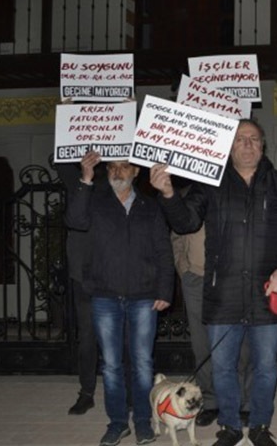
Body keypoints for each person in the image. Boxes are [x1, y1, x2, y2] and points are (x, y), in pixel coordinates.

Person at [151, 119, 277, 446]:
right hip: (222, 294)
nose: (247, 145)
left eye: (254, 139)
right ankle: (231, 427)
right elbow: (186, 221)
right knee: (223, 368)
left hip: (267, 293)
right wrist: (168, 193)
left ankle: (261, 426)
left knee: (266, 366)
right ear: (229, 147)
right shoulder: (210, 184)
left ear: (263, 146)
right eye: (240, 140)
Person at [65, 152, 173, 446]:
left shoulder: (150, 207)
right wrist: (85, 179)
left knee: (141, 363)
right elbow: (74, 219)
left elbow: (164, 250)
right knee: (111, 365)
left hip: (143, 296)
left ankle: (142, 422)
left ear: (136, 171)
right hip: (104, 295)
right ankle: (117, 423)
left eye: (124, 166)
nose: (117, 171)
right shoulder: (95, 202)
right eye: (112, 167)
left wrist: (165, 290)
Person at [172, 220, 253, 427]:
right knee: (202, 345)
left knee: (240, 345)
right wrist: (184, 269)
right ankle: (209, 402)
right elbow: (176, 237)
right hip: (196, 279)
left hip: (233, 278)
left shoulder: (237, 193)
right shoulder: (190, 198)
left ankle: (244, 403)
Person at [55, 161, 99, 416]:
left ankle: (129, 393)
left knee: (124, 336)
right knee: (87, 338)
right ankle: (87, 392)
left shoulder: (115, 171)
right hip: (84, 272)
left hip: (115, 272)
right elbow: (62, 162)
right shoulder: (76, 175)